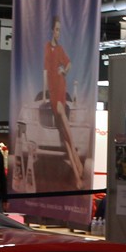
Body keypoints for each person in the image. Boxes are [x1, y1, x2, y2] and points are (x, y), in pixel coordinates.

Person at [44, 14, 85, 185]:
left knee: (65, 127)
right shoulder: (47, 47)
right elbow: (45, 71)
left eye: (59, 30)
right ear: (51, 30)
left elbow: (68, 64)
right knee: (64, 133)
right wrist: (45, 92)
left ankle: (77, 172)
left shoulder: (59, 49)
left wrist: (64, 72)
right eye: (56, 29)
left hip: (60, 86)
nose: (58, 33)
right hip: (52, 89)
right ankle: (77, 169)